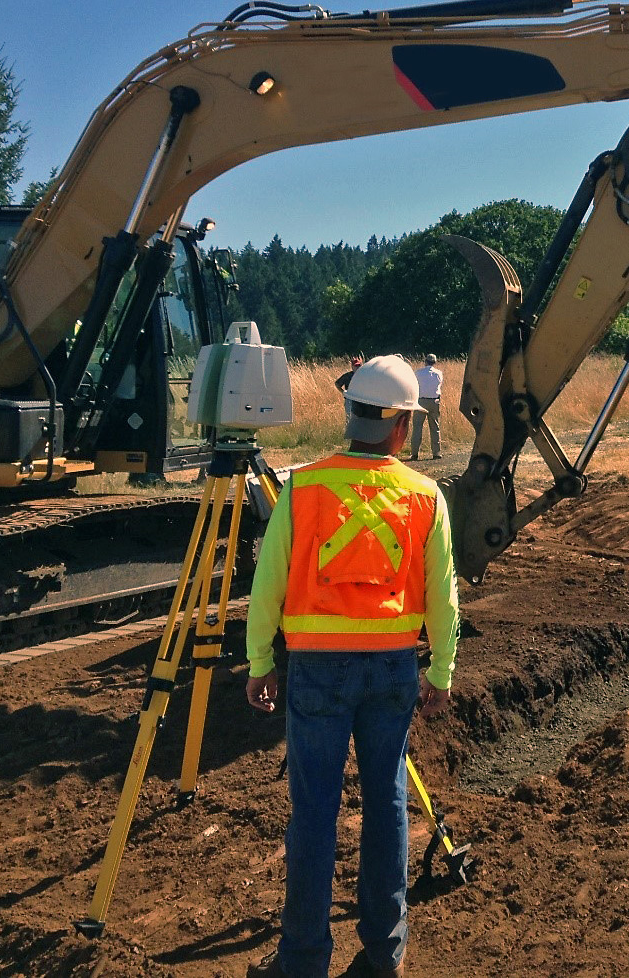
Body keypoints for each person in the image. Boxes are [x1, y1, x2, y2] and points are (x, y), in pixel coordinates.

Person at [245, 354, 459, 978]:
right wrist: (440, 671)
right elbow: (443, 592)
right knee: (387, 805)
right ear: (401, 427)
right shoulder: (424, 496)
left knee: (313, 809)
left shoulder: (303, 487)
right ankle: (382, 956)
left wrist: (261, 661)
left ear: (350, 414)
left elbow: (269, 582)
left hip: (316, 669)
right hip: (392, 668)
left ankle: (304, 960)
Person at [408, 354, 443, 461]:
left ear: (425, 361)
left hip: (421, 401)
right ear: (435, 362)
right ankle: (436, 452)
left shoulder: (418, 373)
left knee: (417, 427)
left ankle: (414, 453)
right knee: (435, 427)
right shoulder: (439, 373)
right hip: (434, 401)